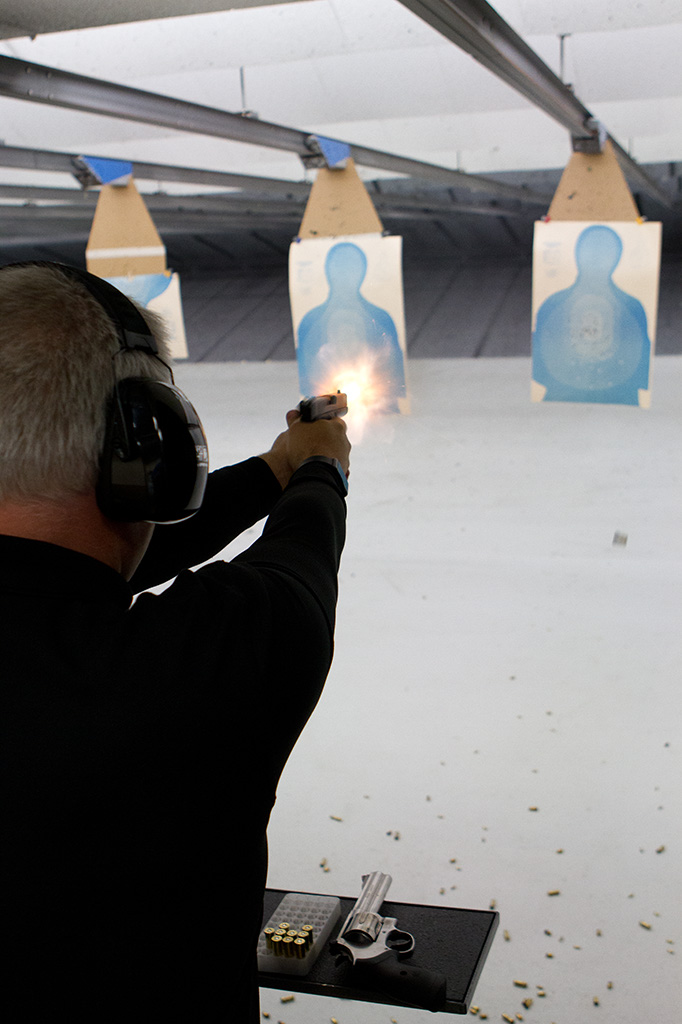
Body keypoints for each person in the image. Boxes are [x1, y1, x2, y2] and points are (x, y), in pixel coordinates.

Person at [0, 262, 350, 1020]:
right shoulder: (173, 680)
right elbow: (292, 582)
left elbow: (59, 573)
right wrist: (321, 468)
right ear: (149, 460)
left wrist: (275, 469)